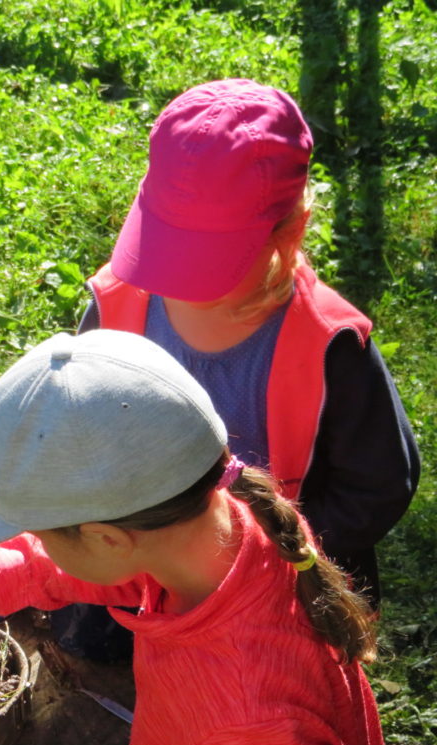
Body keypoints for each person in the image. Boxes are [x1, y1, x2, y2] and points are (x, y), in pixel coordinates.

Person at [0, 329, 387, 745]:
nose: (35, 543)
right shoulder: (231, 527)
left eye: (43, 530)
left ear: (106, 538)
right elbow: (101, 568)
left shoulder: (246, 731)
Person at [53, 79, 421, 661]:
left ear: (287, 232)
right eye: (167, 246)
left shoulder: (329, 346)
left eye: (204, 260)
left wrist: (269, 557)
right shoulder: (117, 305)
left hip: (278, 598)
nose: (175, 280)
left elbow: (379, 484)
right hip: (142, 578)